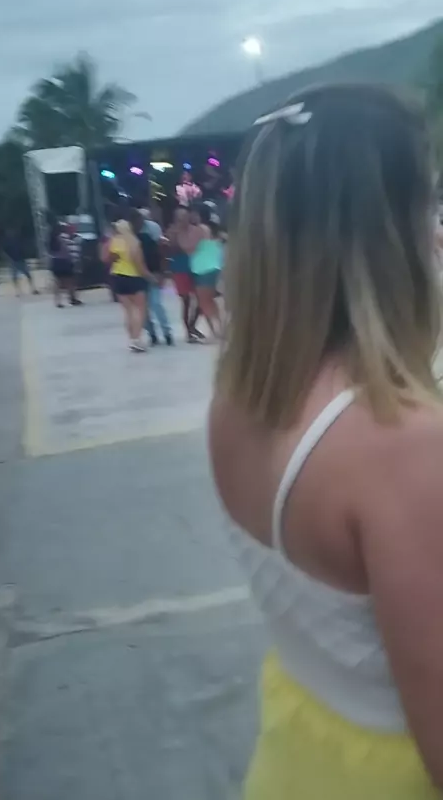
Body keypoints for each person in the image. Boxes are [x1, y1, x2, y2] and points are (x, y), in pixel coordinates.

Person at [209, 84, 443, 798]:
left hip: (303, 752)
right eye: (428, 201)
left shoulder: (238, 396)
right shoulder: (402, 447)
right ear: (390, 232)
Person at [108, 213, 154, 352]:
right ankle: (137, 338)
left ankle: (131, 339)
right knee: (140, 310)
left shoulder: (114, 241)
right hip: (134, 278)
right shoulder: (134, 242)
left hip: (118, 278)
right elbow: (139, 264)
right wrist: (149, 276)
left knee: (128, 311)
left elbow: (110, 258)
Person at [128, 208, 173, 346]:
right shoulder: (128, 236)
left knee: (155, 304)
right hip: (135, 274)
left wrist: (162, 272)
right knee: (143, 308)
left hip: (152, 271)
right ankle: (152, 332)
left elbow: (160, 252)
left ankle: (166, 332)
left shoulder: (150, 233)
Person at [186, 202, 223, 339]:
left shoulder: (199, 229)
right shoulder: (213, 229)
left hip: (202, 268)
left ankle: (216, 331)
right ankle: (219, 328)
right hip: (213, 267)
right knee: (210, 301)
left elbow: (190, 248)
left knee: (204, 302)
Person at [167, 206, 203, 343]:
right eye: (180, 218)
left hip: (196, 267)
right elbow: (171, 249)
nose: (183, 220)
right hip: (180, 268)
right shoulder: (172, 232)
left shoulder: (196, 230)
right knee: (186, 301)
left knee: (202, 299)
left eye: (185, 217)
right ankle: (189, 331)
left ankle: (192, 325)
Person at [47, 218, 82, 308]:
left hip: (55, 261)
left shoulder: (51, 239)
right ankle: (72, 298)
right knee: (70, 281)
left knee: (57, 283)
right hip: (65, 261)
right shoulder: (63, 237)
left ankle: (57, 301)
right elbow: (69, 248)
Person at [2, 228, 39, 296]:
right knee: (16, 277)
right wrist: (8, 259)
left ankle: (32, 289)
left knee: (27, 275)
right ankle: (18, 291)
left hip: (20, 260)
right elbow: (4, 252)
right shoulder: (7, 242)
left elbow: (23, 249)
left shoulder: (17, 240)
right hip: (14, 261)